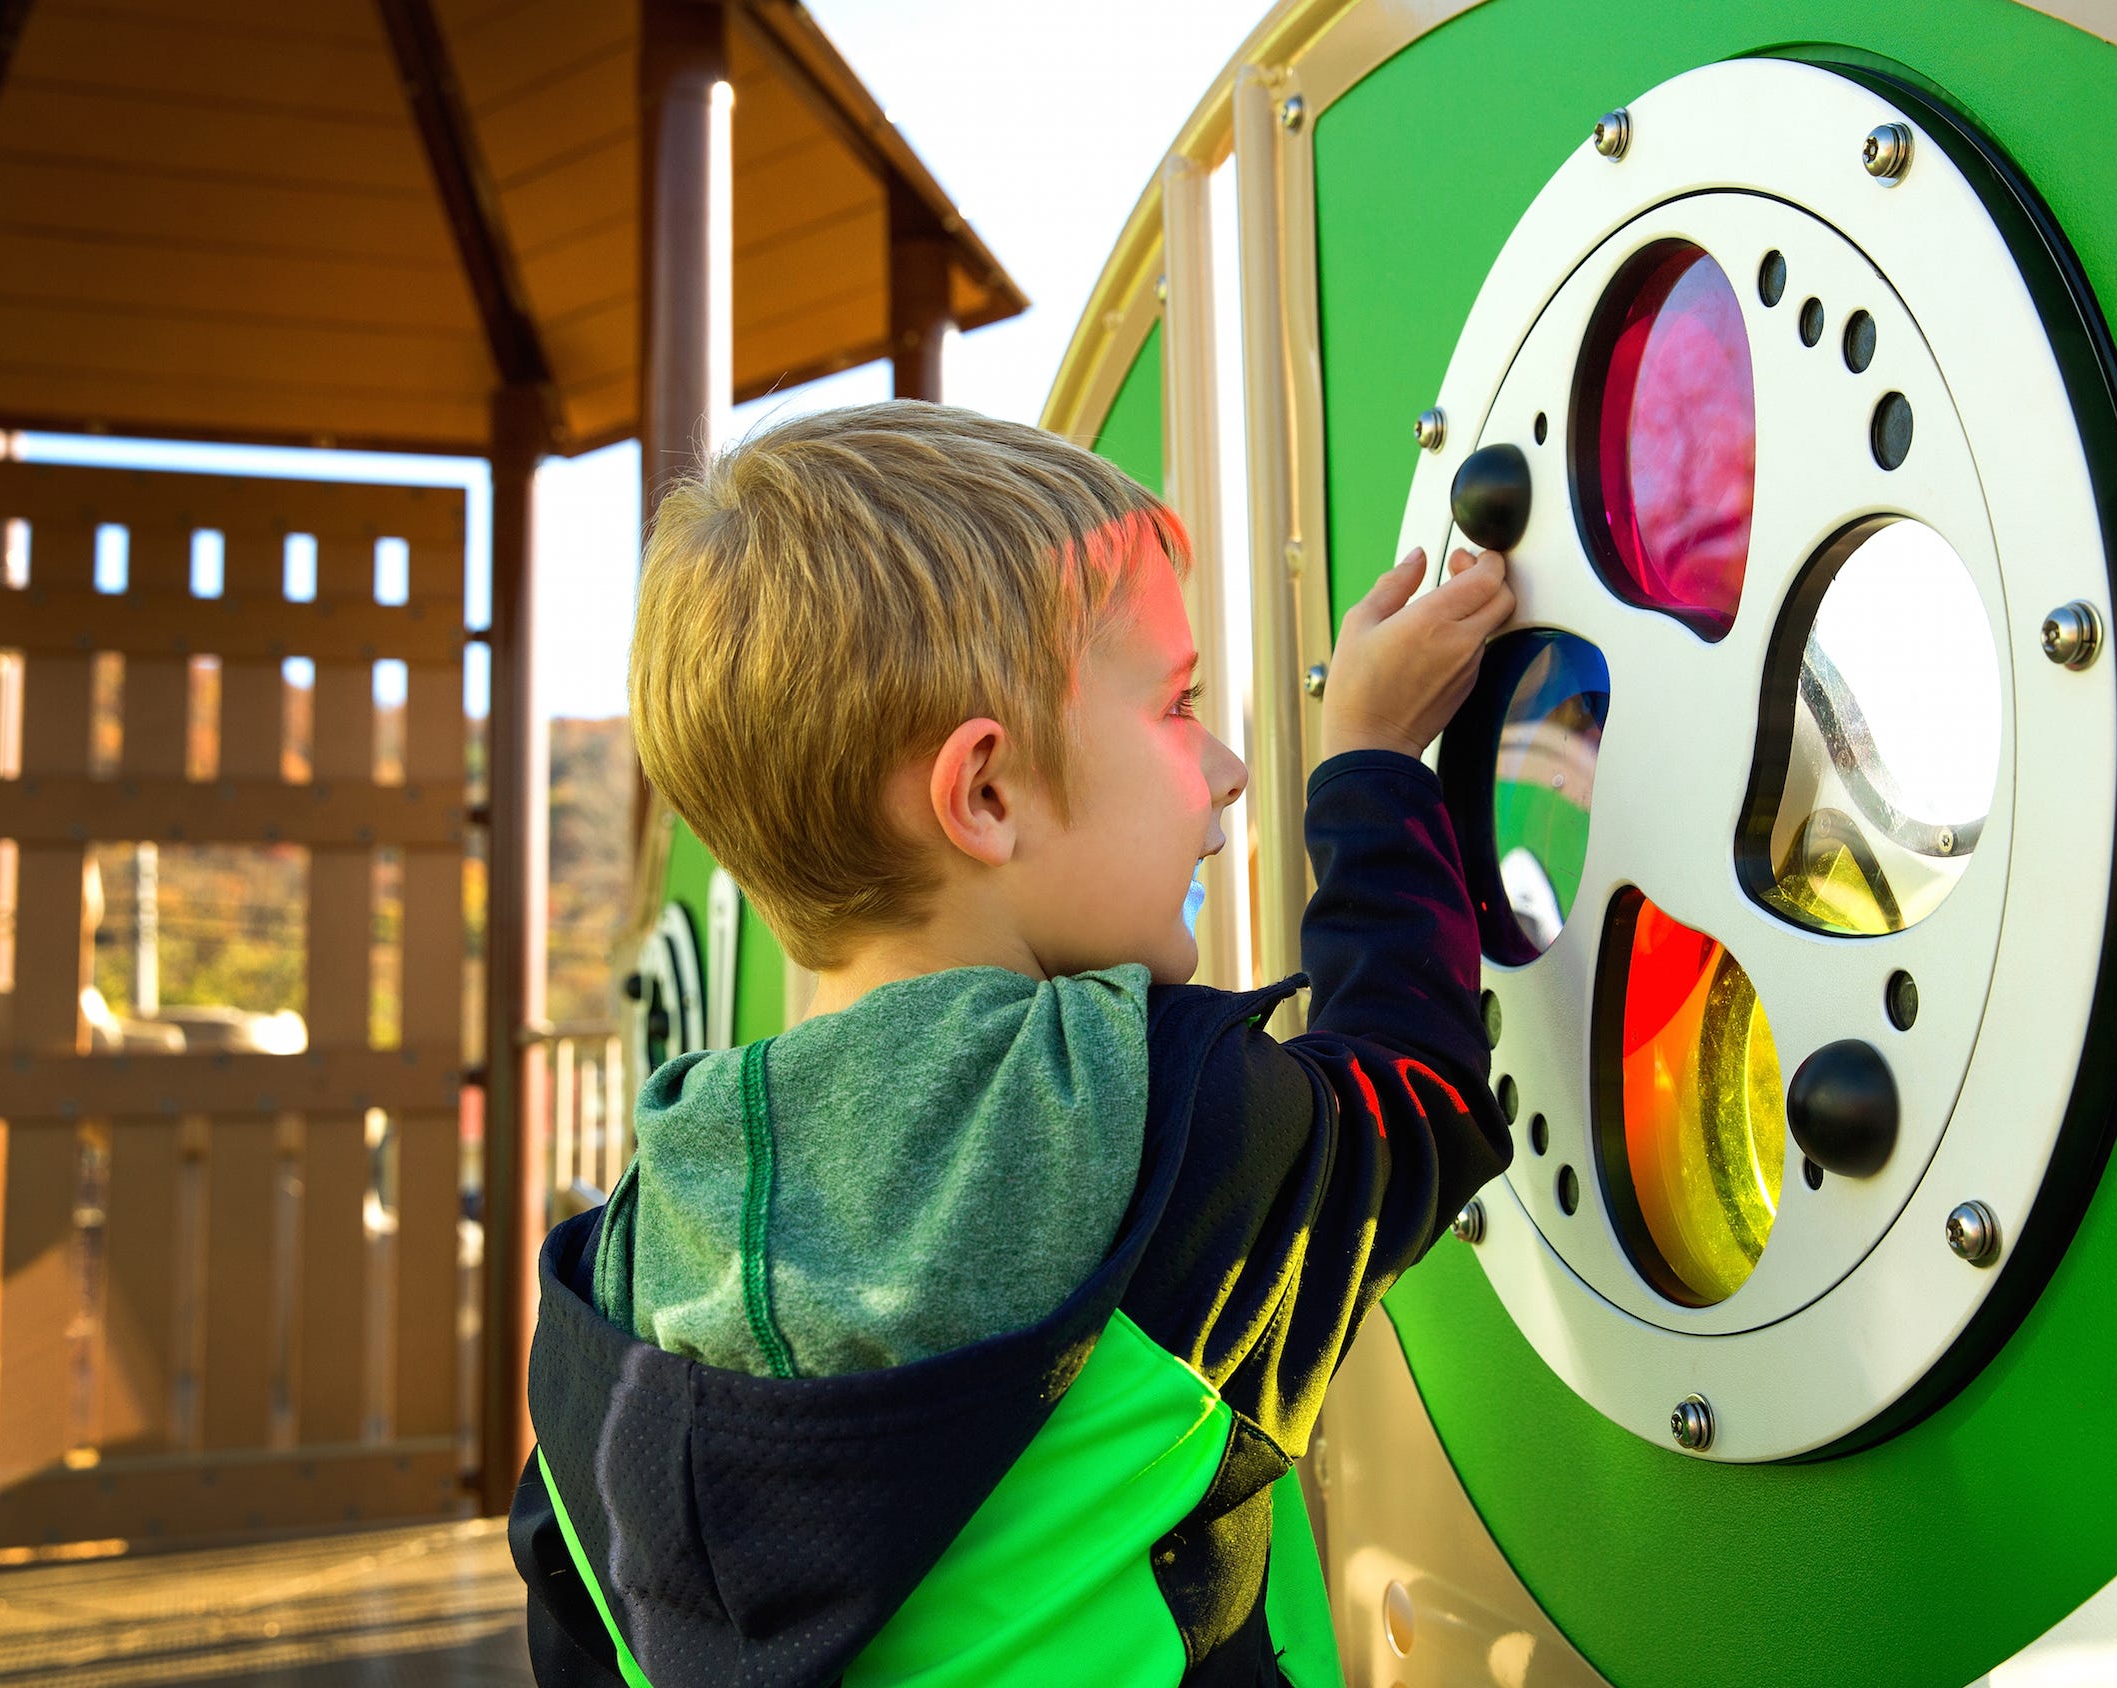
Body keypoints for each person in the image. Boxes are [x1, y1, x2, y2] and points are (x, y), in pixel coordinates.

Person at [510, 402, 1515, 1688]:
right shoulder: (1159, 1124)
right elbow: (1417, 1090)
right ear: (984, 793)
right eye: (1176, 704)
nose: (1223, 767)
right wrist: (1372, 762)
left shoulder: (635, 1252)